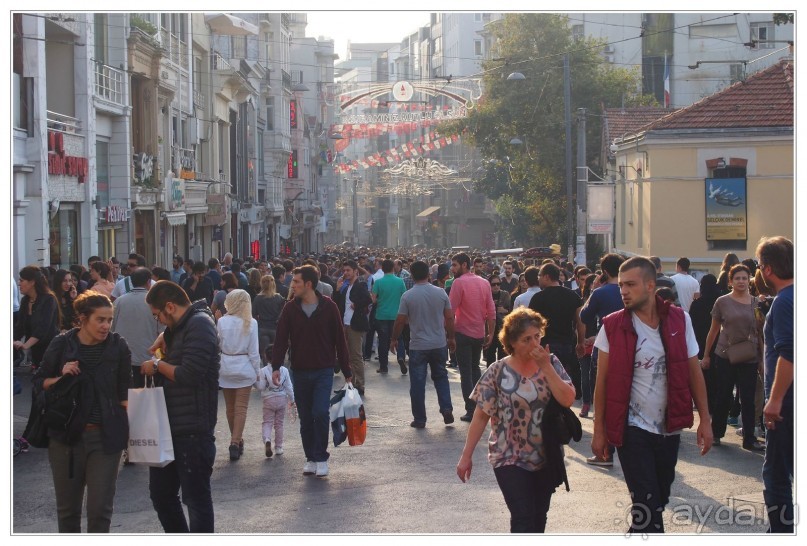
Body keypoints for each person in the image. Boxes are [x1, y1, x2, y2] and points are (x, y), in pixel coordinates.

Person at [591, 257, 712, 534]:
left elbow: (694, 371)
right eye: (621, 285)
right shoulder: (612, 325)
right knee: (646, 503)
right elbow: (603, 381)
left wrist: (705, 419)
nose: (623, 291)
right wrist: (599, 430)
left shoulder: (680, 319)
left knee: (658, 499)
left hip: (669, 428)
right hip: (632, 428)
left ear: (649, 285)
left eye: (630, 285)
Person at [456, 307, 575, 533]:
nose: (534, 344)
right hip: (508, 455)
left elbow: (568, 399)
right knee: (522, 516)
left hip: (547, 454)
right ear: (511, 342)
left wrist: (547, 368)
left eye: (537, 336)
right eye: (526, 340)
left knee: (539, 517)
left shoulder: (551, 363)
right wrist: (466, 456)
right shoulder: (497, 370)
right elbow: (481, 415)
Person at [33, 291, 131, 532]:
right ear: (83, 318)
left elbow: (124, 394)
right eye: (100, 319)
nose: (106, 325)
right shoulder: (62, 344)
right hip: (66, 438)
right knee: (68, 512)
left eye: (109, 319)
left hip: (106, 438)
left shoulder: (118, 347)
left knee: (100, 511)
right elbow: (39, 382)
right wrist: (61, 376)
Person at [141, 281, 220, 533]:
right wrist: (166, 336)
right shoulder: (183, 326)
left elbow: (190, 374)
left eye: (158, 316)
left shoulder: (199, 325)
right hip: (170, 425)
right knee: (161, 496)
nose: (159, 322)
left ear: (170, 307)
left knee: (195, 500)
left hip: (193, 430)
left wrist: (156, 365)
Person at [271, 265, 352, 478]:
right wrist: (276, 366)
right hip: (299, 369)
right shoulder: (290, 308)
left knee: (320, 412)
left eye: (296, 282)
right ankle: (310, 458)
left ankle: (321, 457)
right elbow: (281, 338)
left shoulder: (329, 307)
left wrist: (347, 370)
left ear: (308, 284)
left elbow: (340, 341)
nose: (292, 285)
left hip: (323, 369)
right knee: (306, 417)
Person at [699, 264, 764, 451]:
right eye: (737, 278)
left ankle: (749, 438)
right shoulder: (722, 301)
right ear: (730, 281)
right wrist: (706, 355)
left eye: (745, 278)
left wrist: (761, 359)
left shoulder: (756, 303)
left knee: (748, 398)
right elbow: (713, 331)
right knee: (723, 395)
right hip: (725, 355)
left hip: (749, 356)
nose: (741, 281)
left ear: (749, 280)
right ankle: (717, 433)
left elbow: (759, 332)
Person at [756, 236, 793, 533]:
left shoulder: (783, 302)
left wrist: (775, 400)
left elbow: (789, 353)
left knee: (777, 474)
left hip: (788, 405)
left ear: (767, 269)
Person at [389, 260, 456, 428]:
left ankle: (420, 419)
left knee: (417, 383)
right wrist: (451, 337)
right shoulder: (441, 293)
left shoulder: (408, 296)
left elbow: (400, 320)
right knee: (441, 377)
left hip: (418, 345)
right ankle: (446, 408)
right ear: (429, 274)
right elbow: (449, 317)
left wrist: (394, 338)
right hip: (439, 343)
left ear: (411, 275)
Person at [448, 252, 496, 422]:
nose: (452, 269)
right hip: (479, 334)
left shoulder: (458, 283)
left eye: (454, 265)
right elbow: (491, 311)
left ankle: (471, 409)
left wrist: (450, 336)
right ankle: (479, 407)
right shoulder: (484, 283)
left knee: (467, 373)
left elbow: (450, 311)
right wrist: (490, 333)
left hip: (463, 334)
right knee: (475, 369)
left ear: (465, 265)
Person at [527, 263, 585, 400]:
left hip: (544, 346)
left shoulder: (538, 298)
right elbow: (581, 322)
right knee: (562, 381)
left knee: (543, 384)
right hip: (566, 345)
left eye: (540, 276)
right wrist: (580, 342)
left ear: (547, 277)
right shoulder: (573, 296)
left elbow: (530, 324)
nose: (538, 279)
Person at [216, 289, 261, 461]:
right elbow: (253, 351)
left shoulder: (221, 321)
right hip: (244, 366)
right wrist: (257, 372)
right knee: (241, 407)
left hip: (226, 365)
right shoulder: (251, 322)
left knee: (230, 408)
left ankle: (236, 439)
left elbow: (218, 344)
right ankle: (235, 441)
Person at [112, 268, 164, 390]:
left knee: (127, 395)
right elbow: (162, 330)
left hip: (123, 357)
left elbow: (112, 328)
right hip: (148, 358)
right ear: (148, 282)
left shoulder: (119, 301)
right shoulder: (154, 302)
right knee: (147, 397)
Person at [332, 260, 372, 395]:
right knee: (347, 356)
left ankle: (359, 384)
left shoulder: (360, 284)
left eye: (348, 270)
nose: (345, 273)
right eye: (344, 271)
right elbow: (336, 303)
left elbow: (368, 299)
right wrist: (337, 289)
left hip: (355, 324)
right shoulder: (346, 286)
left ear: (355, 271)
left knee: (355, 356)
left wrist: (357, 305)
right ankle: (350, 383)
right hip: (346, 323)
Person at [14, 265, 60, 370]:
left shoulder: (49, 300)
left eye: (22, 280)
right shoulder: (25, 301)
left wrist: (26, 345)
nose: (18, 283)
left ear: (32, 282)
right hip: (36, 351)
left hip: (51, 349)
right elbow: (20, 326)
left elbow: (43, 328)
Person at [372, 259, 407, 374]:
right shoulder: (400, 281)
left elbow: (373, 299)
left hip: (381, 315)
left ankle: (383, 366)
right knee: (399, 337)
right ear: (393, 268)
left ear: (382, 269)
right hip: (396, 315)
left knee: (383, 341)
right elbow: (404, 297)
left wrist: (380, 300)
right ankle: (401, 356)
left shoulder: (378, 282)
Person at [256, 363, 295, 457]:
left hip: (268, 400)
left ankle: (267, 440)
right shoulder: (285, 370)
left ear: (266, 357)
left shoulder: (263, 370)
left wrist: (255, 381)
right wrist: (292, 399)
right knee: (279, 424)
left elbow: (260, 386)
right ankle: (278, 447)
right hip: (282, 399)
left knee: (267, 422)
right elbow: (289, 386)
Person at [253, 275, 286, 365]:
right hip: (275, 328)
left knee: (264, 354)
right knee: (277, 353)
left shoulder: (258, 298)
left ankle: (266, 373)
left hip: (262, 328)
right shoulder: (279, 298)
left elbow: (253, 314)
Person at [578, 273, 598, 418]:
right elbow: (577, 323)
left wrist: (595, 337)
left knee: (597, 377)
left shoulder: (602, 302)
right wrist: (581, 339)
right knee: (585, 376)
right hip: (584, 343)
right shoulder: (581, 302)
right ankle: (586, 403)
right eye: (592, 283)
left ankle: (597, 405)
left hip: (599, 342)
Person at [484, 274, 510, 367]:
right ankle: (490, 374)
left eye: (498, 284)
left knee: (502, 353)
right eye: (493, 284)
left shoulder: (505, 294)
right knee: (490, 353)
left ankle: (501, 374)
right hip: (490, 327)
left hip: (502, 327)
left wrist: (505, 310)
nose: (496, 286)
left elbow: (510, 310)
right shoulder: (486, 295)